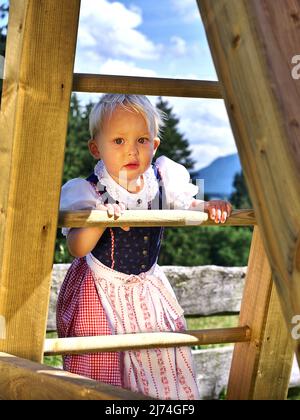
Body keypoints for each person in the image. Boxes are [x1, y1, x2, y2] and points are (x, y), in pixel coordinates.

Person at [57, 94, 232, 400]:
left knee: (159, 355)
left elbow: (186, 205)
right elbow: (77, 247)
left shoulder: (162, 179)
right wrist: (99, 220)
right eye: (119, 141)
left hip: (146, 287)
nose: (132, 150)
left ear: (154, 145)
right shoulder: (89, 190)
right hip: (100, 289)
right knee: (102, 362)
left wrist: (207, 205)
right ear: (96, 148)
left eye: (141, 140)